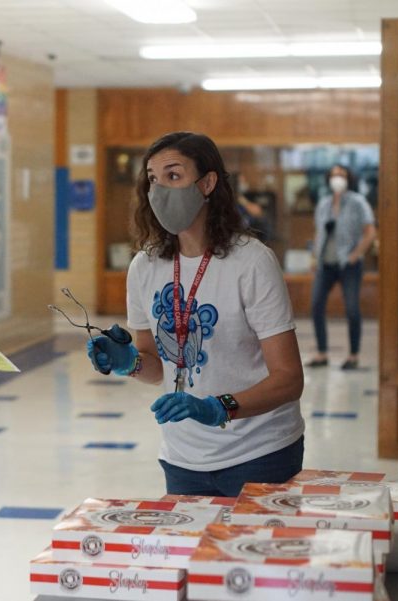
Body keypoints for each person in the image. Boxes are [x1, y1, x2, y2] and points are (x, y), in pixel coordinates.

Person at [86, 131, 305, 497]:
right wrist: (128, 363)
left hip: (261, 453)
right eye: (153, 179)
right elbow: (156, 366)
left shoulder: (251, 261)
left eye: (174, 175)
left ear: (207, 183)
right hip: (182, 458)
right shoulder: (145, 266)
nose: (159, 190)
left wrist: (220, 407)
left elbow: (288, 379)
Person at [305, 164, 376, 370]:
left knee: (352, 309)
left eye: (342, 174)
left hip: (348, 264)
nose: (337, 178)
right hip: (325, 264)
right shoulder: (323, 204)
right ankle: (322, 353)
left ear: (349, 177)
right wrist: (314, 257)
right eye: (334, 175)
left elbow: (370, 232)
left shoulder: (358, 202)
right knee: (316, 306)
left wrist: (356, 254)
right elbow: (318, 232)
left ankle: (353, 355)